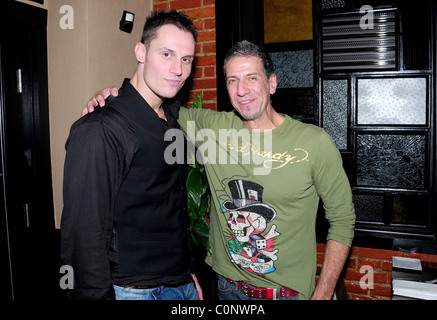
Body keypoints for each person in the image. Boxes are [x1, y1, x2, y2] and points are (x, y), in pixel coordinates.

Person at [84, 40, 355, 300]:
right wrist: (113, 97)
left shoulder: (313, 143)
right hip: (227, 289)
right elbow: (152, 106)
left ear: (272, 83)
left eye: (252, 78)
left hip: (287, 294)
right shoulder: (213, 128)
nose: (241, 90)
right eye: (232, 80)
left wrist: (324, 291)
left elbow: (342, 221)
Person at [60, 10, 203, 300]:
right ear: (141, 51)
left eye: (186, 59)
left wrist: (187, 276)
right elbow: (84, 235)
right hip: (133, 291)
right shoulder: (101, 127)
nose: (178, 69)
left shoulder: (173, 118)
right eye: (166, 54)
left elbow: (170, 210)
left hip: (180, 283)